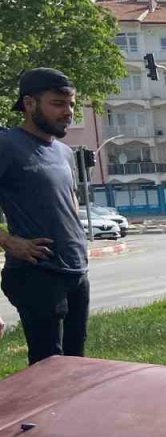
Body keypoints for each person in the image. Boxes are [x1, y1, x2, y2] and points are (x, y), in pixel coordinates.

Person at [0, 68, 89, 366]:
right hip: (36, 273)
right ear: (29, 104)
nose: (68, 112)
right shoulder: (7, 145)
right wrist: (10, 242)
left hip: (76, 271)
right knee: (49, 367)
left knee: (77, 365)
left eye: (72, 105)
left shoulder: (64, 152)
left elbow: (70, 202)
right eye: (58, 104)